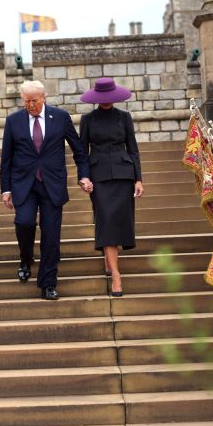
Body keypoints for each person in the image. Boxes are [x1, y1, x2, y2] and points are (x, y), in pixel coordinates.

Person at [0, 80, 91, 301]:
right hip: (24, 185)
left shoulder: (60, 117)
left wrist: (84, 175)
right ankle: (26, 258)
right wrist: (5, 189)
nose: (30, 105)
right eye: (26, 101)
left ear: (44, 98)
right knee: (24, 223)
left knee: (51, 235)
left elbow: (79, 151)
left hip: (52, 185)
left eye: (34, 100)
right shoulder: (13, 121)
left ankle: (48, 283)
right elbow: (6, 158)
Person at [78, 78, 143, 298]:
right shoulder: (87, 120)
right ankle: (116, 274)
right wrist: (84, 177)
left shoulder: (124, 118)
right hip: (99, 177)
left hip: (124, 175)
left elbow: (133, 149)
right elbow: (82, 152)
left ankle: (110, 259)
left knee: (119, 221)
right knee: (105, 219)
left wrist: (138, 179)